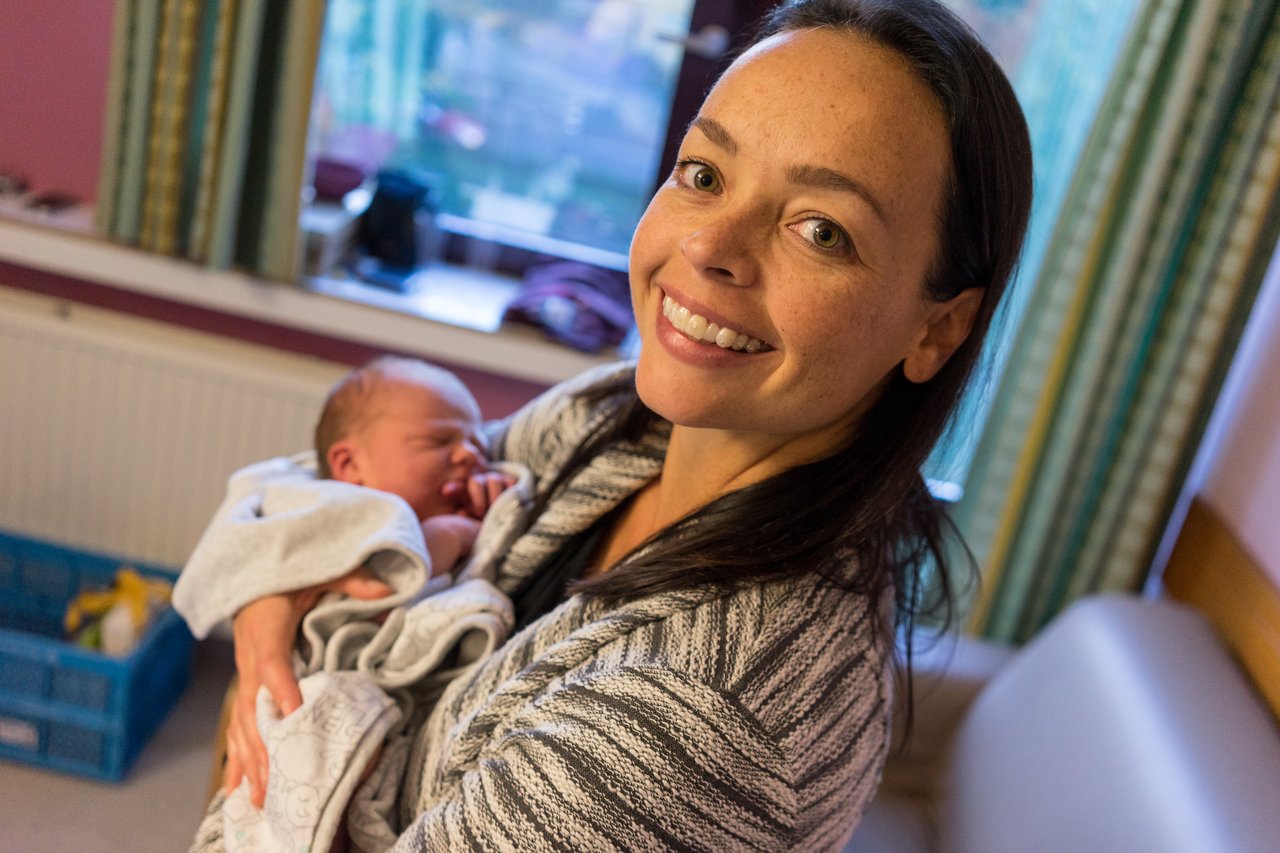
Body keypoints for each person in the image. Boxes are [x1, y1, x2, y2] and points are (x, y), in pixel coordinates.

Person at [194, 0, 1033, 848]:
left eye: (821, 230)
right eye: (705, 175)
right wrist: (275, 595)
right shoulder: (622, 416)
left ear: (938, 328)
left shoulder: (702, 723)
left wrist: (275, 651)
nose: (711, 247)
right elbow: (354, 478)